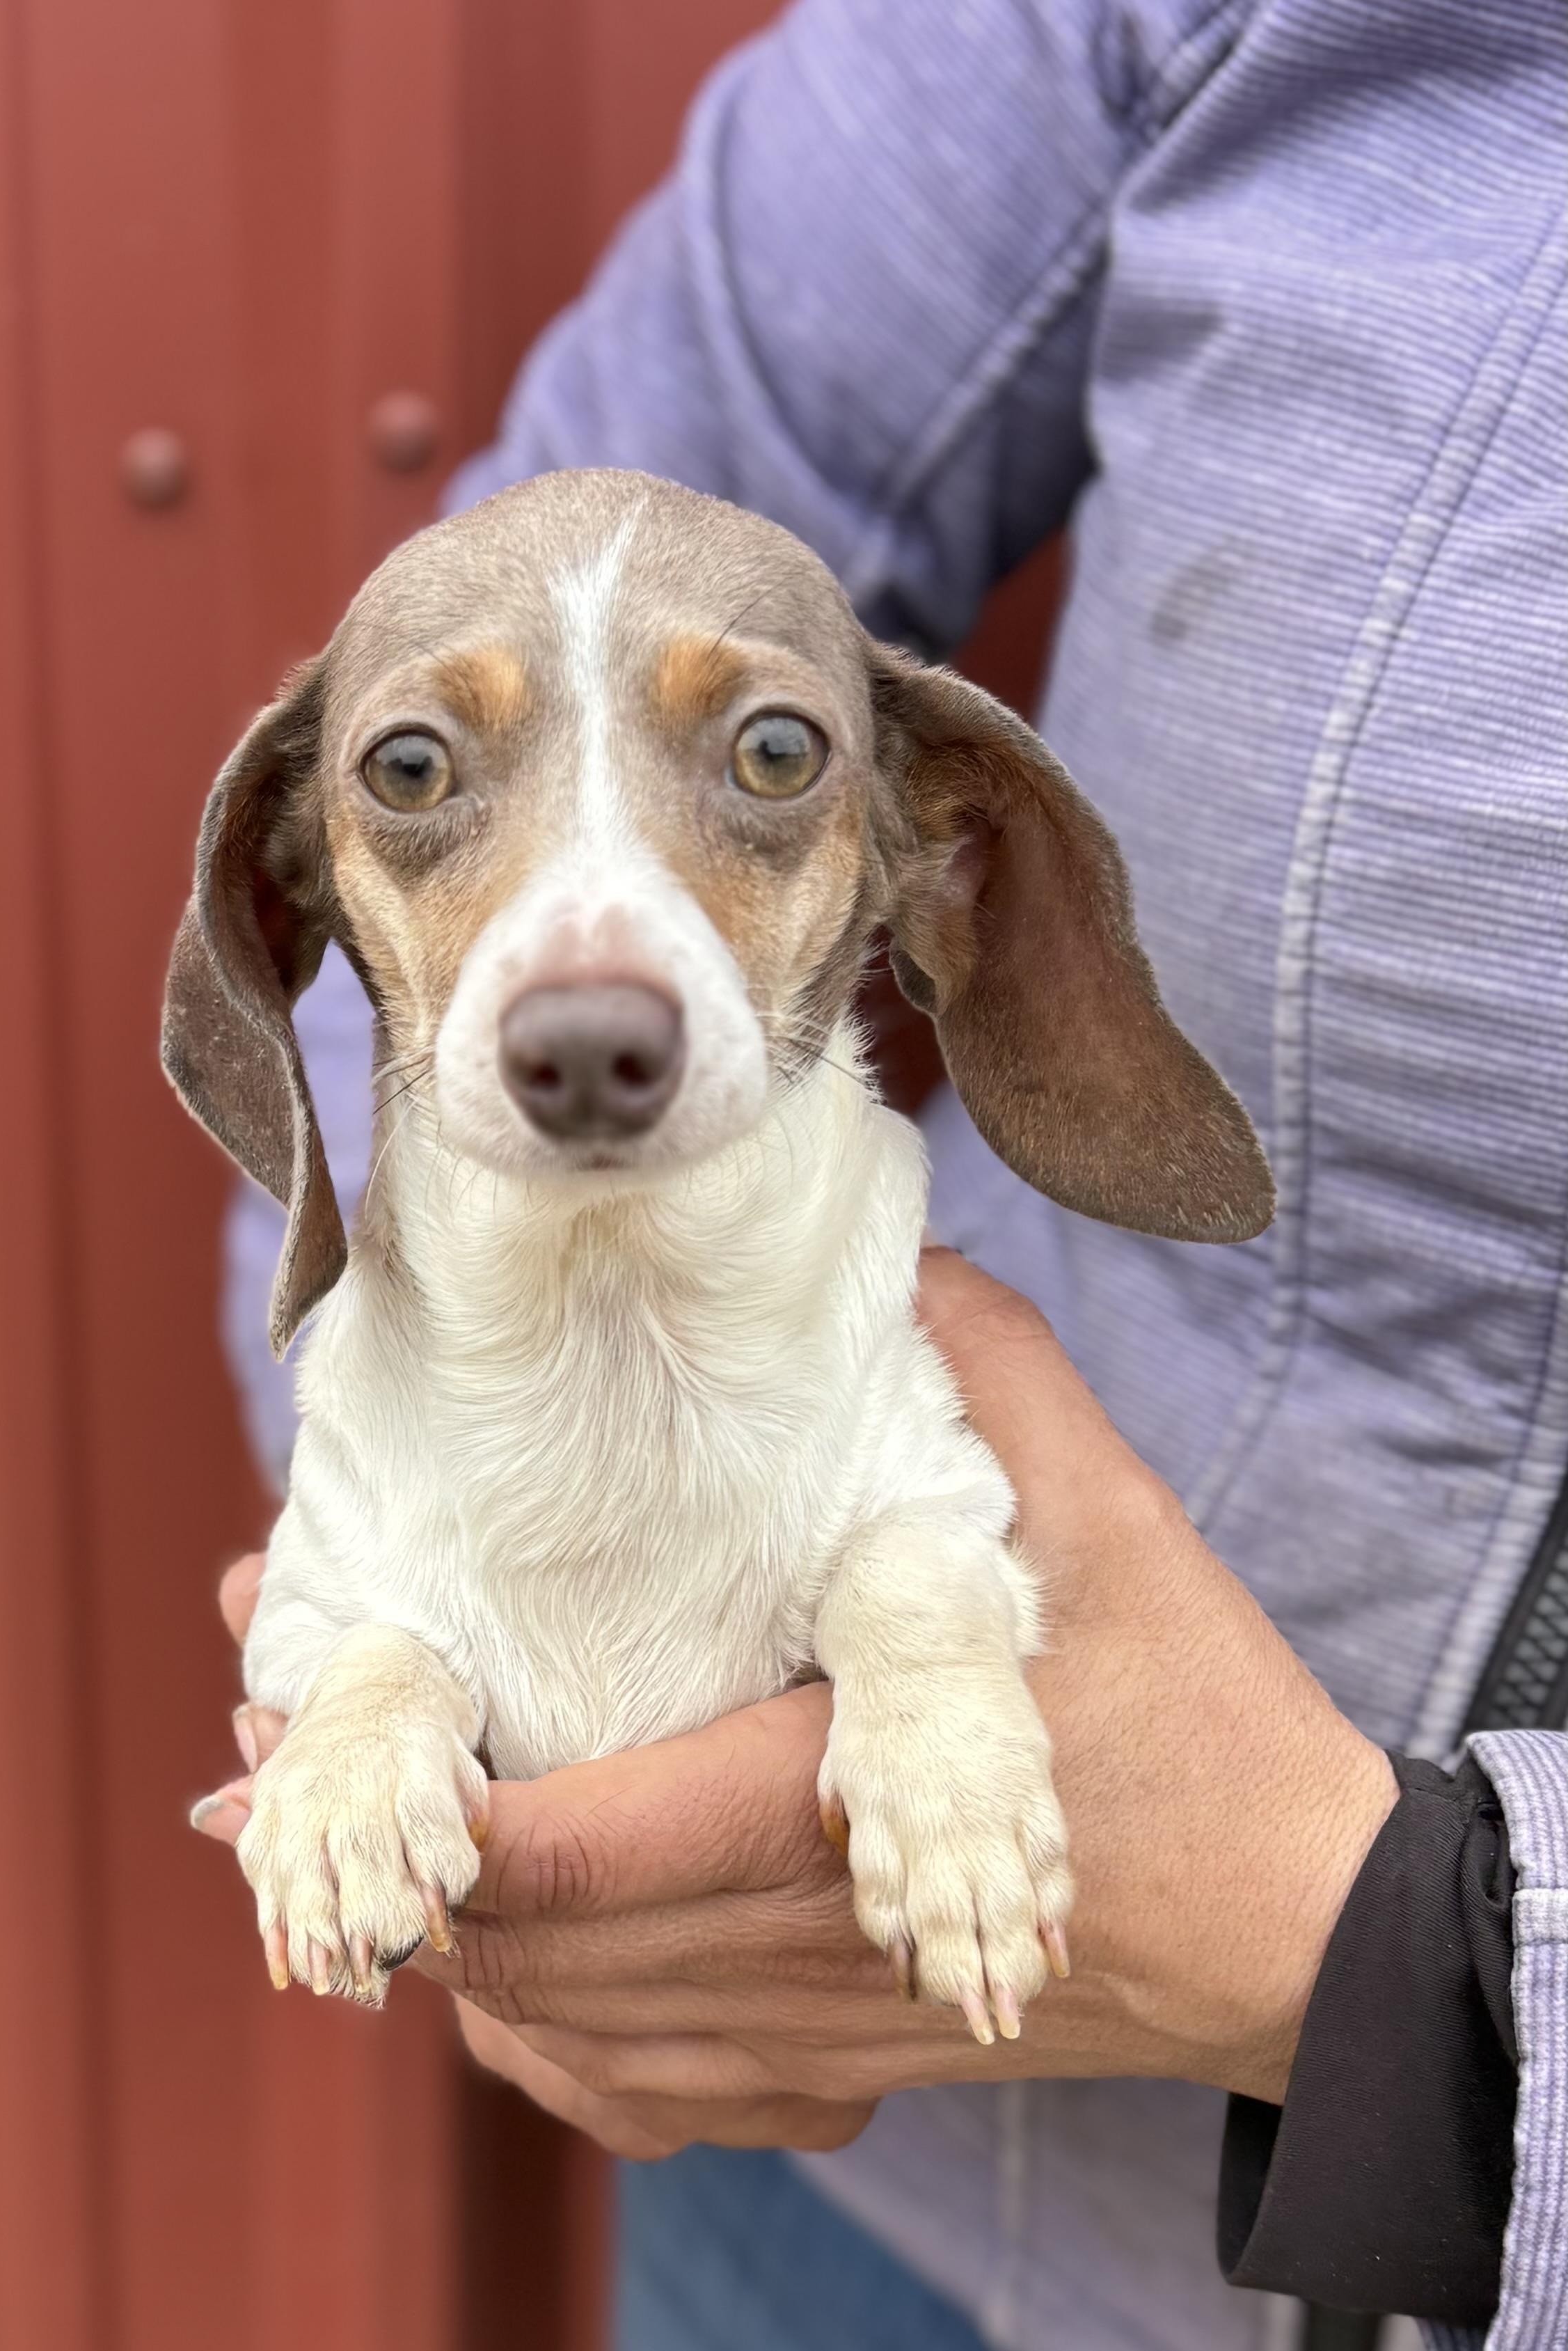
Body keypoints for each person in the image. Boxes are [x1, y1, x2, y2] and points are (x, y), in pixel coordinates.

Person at [200, 0, 1567, 2342]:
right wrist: (415, 1525)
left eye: (764, 758)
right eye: (416, 787)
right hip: (869, 2174)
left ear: (945, 852)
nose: (587, 989)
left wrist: (1403, 1970)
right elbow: (560, 571)